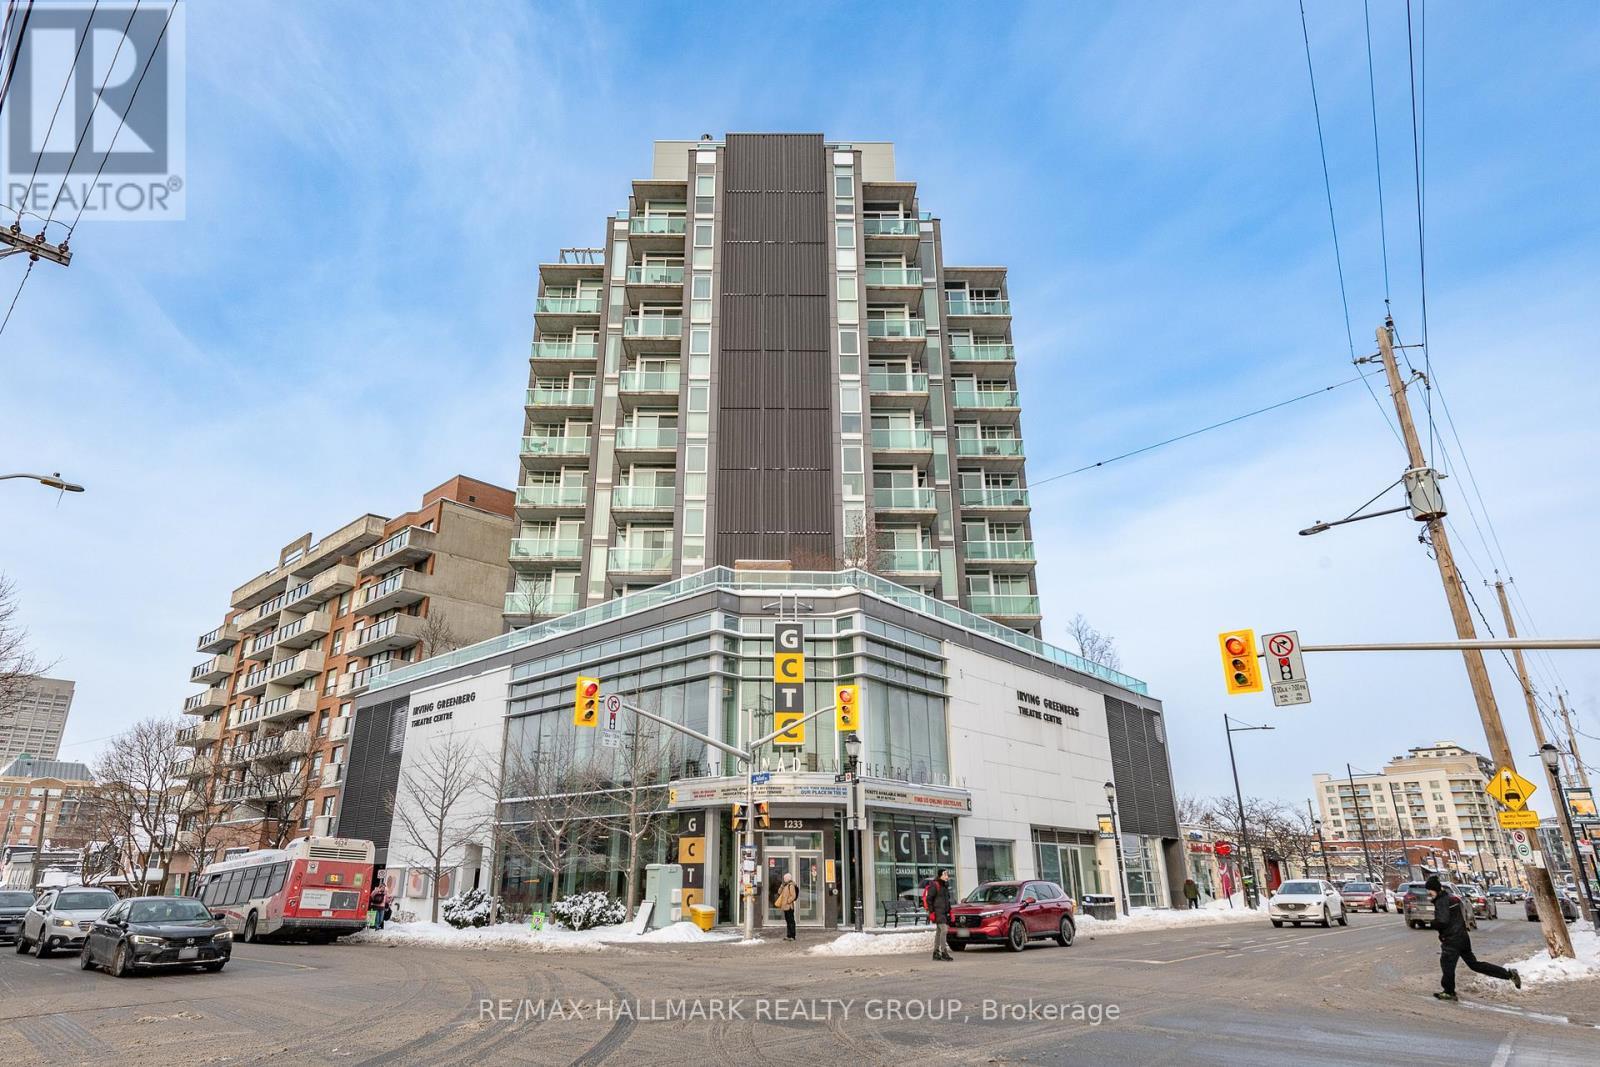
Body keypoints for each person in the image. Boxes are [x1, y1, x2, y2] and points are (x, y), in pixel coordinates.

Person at [1426, 875, 1520, 1001]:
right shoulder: (1451, 898)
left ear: (1435, 889)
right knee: (1474, 964)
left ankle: (1449, 992)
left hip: (1452, 939)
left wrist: (1432, 923)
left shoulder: (1442, 901)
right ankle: (1508, 974)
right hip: (1462, 937)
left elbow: (1442, 921)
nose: (1428, 893)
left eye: (1430, 890)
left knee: (1447, 965)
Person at [926, 869, 954, 962]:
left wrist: (949, 910)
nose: (947, 876)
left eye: (947, 874)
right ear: (940, 876)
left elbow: (947, 900)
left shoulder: (945, 885)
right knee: (944, 930)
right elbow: (929, 899)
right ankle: (944, 952)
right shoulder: (935, 885)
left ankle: (936, 952)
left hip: (943, 912)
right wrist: (931, 911)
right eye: (945, 874)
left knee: (939, 931)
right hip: (938, 912)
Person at [774, 873, 799, 941]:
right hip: (785, 906)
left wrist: (788, 901)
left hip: (789, 906)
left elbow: (793, 896)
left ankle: (793, 936)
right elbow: (779, 892)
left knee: (791, 921)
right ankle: (788, 935)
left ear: (788, 878)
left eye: (785, 878)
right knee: (788, 921)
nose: (784, 879)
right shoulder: (785, 885)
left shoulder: (791, 885)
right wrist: (782, 885)